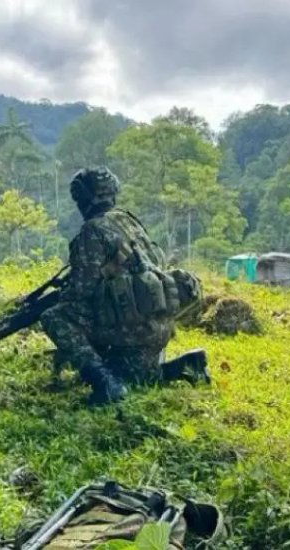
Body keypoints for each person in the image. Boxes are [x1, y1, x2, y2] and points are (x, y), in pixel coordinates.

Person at [40, 167, 208, 405]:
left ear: (81, 199)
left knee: (54, 317)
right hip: (157, 325)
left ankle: (105, 385)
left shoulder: (92, 230)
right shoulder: (129, 221)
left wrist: (62, 299)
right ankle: (189, 364)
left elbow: (81, 292)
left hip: (130, 327)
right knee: (137, 378)